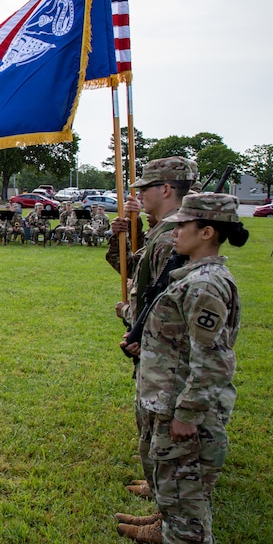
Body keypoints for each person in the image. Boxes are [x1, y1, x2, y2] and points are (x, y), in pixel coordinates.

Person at [117, 193, 247, 544]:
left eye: (181, 227)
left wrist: (188, 415)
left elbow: (213, 363)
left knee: (187, 505)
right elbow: (181, 341)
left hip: (186, 414)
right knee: (176, 498)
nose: (173, 233)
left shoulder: (204, 284)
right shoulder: (193, 277)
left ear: (206, 232)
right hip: (170, 402)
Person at [108, 157, 198, 514]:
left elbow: (162, 299)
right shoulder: (162, 231)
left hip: (166, 350)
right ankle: (159, 492)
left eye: (144, 188)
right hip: (152, 346)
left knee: (162, 430)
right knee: (152, 429)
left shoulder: (172, 235)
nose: (139, 196)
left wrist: (133, 317)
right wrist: (124, 235)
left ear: (165, 189)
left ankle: (167, 515)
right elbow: (134, 272)